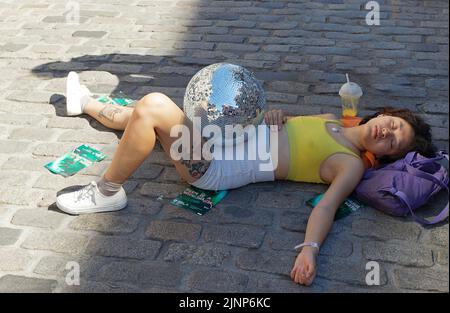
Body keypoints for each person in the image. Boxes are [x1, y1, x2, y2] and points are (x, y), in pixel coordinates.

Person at [57, 71, 435, 286]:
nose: (387, 133)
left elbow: (328, 208)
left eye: (394, 141)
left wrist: (310, 250)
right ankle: (87, 104)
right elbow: (287, 129)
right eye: (393, 125)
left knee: (154, 107)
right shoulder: (332, 120)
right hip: (224, 135)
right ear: (384, 114)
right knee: (152, 112)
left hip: (213, 167)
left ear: (386, 156)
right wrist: (277, 115)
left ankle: (108, 191)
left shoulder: (349, 163)